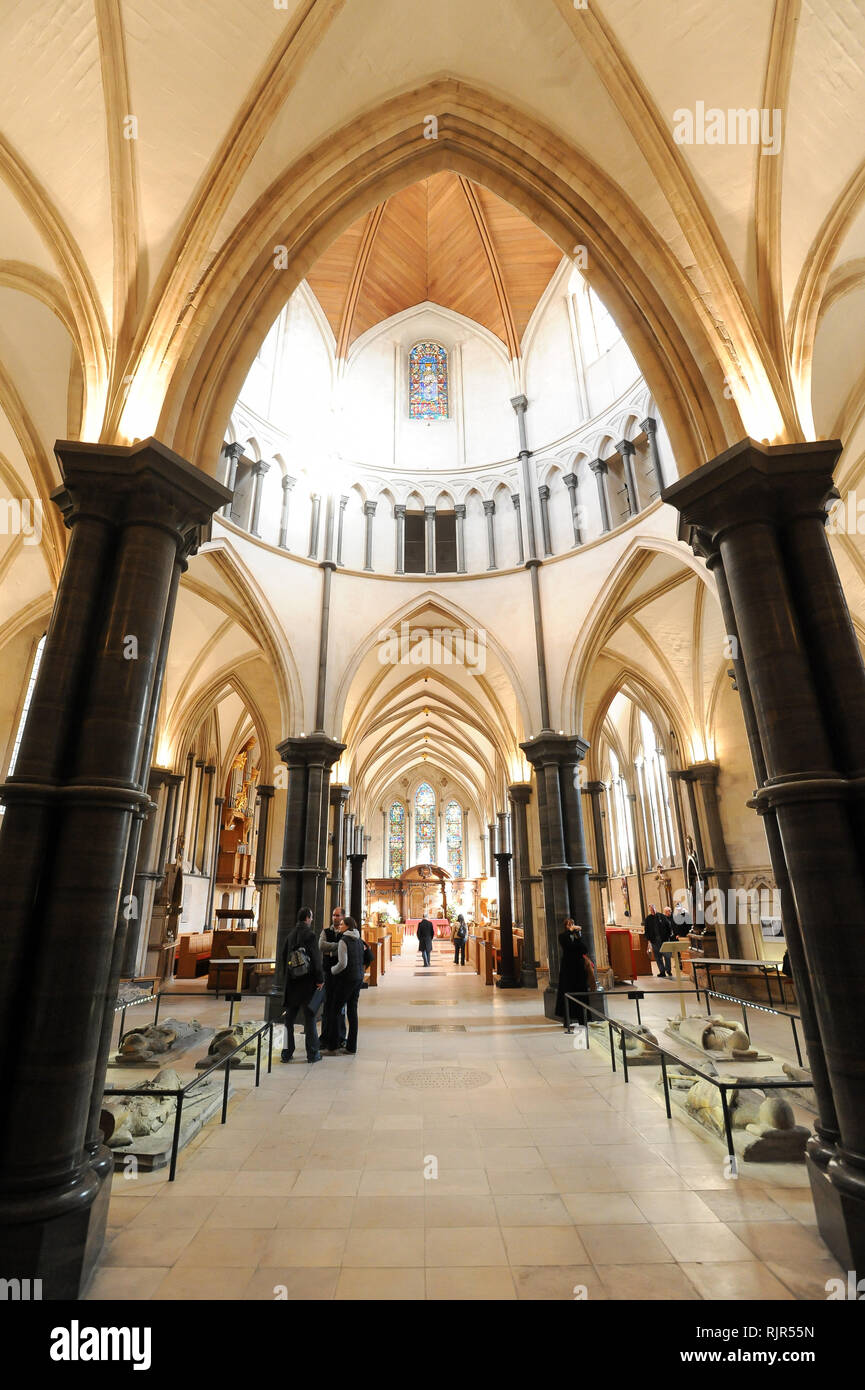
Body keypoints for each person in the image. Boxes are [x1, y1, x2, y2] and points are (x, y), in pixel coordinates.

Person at [280, 906, 324, 1063]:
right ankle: (313, 1054)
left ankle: (286, 1053)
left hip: (292, 984)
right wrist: (320, 979)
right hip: (307, 984)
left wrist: (287, 977)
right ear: (307, 918)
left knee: (288, 1021)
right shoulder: (310, 935)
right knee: (309, 1018)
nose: (311, 920)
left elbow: (284, 958)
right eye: (311, 917)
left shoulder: (290, 935)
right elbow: (316, 960)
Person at [329, 915, 365, 1054]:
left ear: (348, 926)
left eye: (342, 924)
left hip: (347, 979)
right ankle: (351, 1046)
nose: (340, 926)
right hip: (358, 978)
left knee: (335, 1010)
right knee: (352, 1011)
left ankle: (333, 1045)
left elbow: (342, 963)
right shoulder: (358, 939)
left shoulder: (344, 940)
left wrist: (333, 970)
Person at [554, 918, 596, 1029]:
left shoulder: (577, 936)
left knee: (581, 991)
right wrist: (571, 931)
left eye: (572, 924)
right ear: (565, 926)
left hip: (578, 968)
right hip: (568, 968)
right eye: (568, 924)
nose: (571, 926)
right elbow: (568, 946)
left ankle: (583, 1018)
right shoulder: (562, 936)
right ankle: (567, 1019)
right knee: (567, 991)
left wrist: (577, 936)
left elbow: (584, 949)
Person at [320, 904, 347, 1052]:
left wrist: (330, 952)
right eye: (333, 915)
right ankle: (325, 1037)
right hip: (328, 974)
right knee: (327, 1005)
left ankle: (341, 1037)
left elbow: (346, 950)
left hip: (341, 974)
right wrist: (338, 947)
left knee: (340, 1007)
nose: (335, 918)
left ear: (343, 917)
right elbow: (321, 945)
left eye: (338, 915)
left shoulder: (346, 933)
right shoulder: (325, 931)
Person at [643, 902, 673, 978]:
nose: (652, 910)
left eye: (653, 909)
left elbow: (668, 926)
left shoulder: (662, 916)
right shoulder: (648, 919)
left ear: (655, 908)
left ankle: (668, 970)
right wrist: (649, 940)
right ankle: (662, 971)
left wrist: (669, 935)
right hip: (654, 940)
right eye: (651, 909)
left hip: (664, 939)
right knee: (658, 957)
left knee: (667, 955)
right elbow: (646, 930)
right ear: (649, 910)